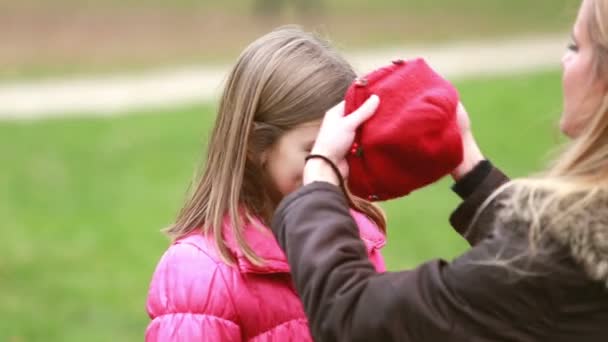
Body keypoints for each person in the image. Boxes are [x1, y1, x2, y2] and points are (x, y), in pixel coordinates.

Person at [270, 0, 608, 341]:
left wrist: (320, 178)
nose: (565, 59)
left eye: (576, 46)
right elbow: (534, 275)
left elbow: (351, 318)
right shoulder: (580, 248)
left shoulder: (563, 259)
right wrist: (473, 169)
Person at [145, 26, 387, 341]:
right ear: (255, 145)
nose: (335, 169)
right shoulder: (200, 271)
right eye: (314, 150)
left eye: (345, 148)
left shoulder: (354, 242)